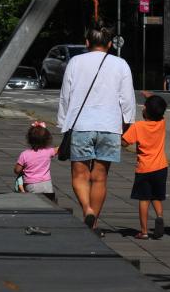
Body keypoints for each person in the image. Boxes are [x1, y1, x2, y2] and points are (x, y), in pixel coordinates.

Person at [57, 19, 136, 234]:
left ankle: (87, 210)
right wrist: (126, 123)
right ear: (110, 44)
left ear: (86, 42)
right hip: (110, 125)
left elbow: (65, 96)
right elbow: (127, 99)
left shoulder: (75, 62)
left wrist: (63, 123)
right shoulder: (121, 65)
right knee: (100, 177)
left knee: (79, 175)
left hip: (81, 124)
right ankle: (94, 222)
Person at [122, 94, 168, 240]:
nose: (142, 107)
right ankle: (159, 216)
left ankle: (144, 231)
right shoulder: (162, 123)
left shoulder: (138, 127)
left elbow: (124, 142)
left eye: (145, 106)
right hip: (161, 167)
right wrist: (152, 98)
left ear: (146, 111)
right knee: (157, 196)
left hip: (144, 169)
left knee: (144, 199)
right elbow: (159, 110)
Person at [14, 121, 58, 201]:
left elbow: (17, 170)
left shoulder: (24, 154)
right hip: (47, 184)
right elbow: (59, 149)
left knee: (34, 203)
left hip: (32, 185)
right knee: (49, 203)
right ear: (47, 139)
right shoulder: (49, 151)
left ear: (29, 139)